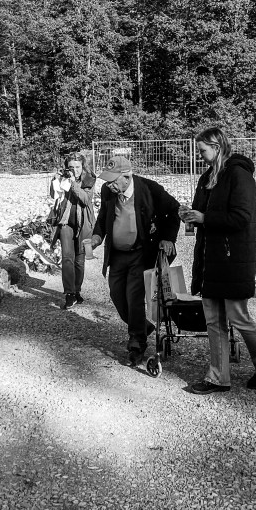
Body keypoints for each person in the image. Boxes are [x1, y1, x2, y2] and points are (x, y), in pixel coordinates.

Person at [180, 126, 256, 395]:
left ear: (217, 147)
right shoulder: (206, 177)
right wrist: (189, 214)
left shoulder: (239, 174)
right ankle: (217, 378)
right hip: (210, 257)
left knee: (238, 316)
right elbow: (202, 212)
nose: (200, 155)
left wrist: (205, 218)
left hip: (233, 258)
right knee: (213, 320)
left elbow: (242, 217)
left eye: (202, 150)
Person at [91, 154, 180, 365]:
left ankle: (137, 343)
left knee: (134, 297)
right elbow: (103, 217)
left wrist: (168, 238)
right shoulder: (108, 191)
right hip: (117, 254)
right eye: (107, 180)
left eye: (113, 180)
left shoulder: (150, 189)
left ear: (127, 176)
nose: (109, 185)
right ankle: (143, 327)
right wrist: (97, 236)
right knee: (116, 295)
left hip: (141, 252)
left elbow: (174, 210)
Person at [49, 151, 97, 309]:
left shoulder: (90, 178)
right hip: (65, 222)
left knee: (80, 260)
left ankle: (77, 290)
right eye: (71, 167)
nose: (74, 170)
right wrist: (54, 181)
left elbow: (85, 199)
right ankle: (69, 293)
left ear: (83, 166)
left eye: (77, 167)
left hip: (85, 224)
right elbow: (53, 195)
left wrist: (73, 183)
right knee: (67, 258)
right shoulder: (63, 177)